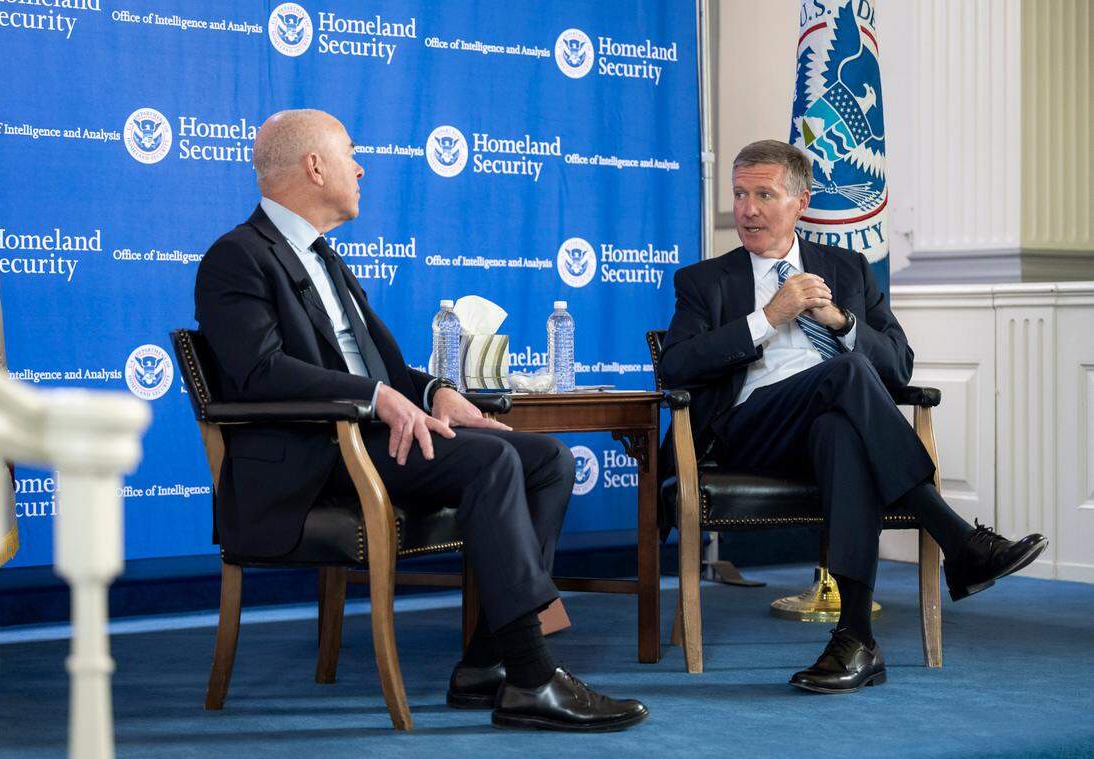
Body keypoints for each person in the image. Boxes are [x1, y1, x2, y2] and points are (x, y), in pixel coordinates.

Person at [193, 109, 647, 730]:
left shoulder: (325, 259)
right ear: (314, 166)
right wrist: (376, 398)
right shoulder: (237, 258)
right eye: (350, 154)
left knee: (545, 458)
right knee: (490, 461)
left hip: (373, 444)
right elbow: (260, 373)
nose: (360, 168)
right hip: (312, 459)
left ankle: (487, 663)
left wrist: (436, 389)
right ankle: (534, 675)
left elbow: (382, 365)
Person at [659, 139, 1047, 694]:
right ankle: (957, 539)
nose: (747, 209)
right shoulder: (704, 281)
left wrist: (842, 324)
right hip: (751, 429)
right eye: (740, 194)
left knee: (844, 429)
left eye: (764, 194)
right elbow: (676, 367)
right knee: (845, 376)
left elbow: (898, 366)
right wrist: (769, 317)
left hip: (828, 428)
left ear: (800, 201)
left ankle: (855, 640)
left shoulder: (847, 268)